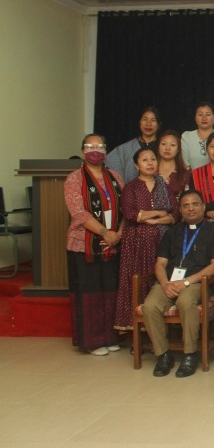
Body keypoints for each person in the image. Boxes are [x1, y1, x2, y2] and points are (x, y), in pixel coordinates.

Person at [143, 190, 214, 378]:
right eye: (186, 205)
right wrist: (165, 283)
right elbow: (160, 264)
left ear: (203, 207)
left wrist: (186, 282)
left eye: (195, 204)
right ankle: (163, 355)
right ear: (180, 209)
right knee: (149, 307)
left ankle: (190, 354)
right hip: (169, 282)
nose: (191, 208)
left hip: (197, 283)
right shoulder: (172, 232)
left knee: (185, 303)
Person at [64, 134, 124, 356]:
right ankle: (92, 341)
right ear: (83, 151)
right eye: (90, 146)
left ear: (106, 151)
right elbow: (78, 213)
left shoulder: (116, 176)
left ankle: (109, 336)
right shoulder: (74, 179)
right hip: (84, 244)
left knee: (109, 290)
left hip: (113, 243)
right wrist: (103, 232)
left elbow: (125, 206)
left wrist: (117, 234)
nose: (95, 150)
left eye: (99, 146)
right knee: (89, 293)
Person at [114, 148, 178, 331]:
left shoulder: (163, 186)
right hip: (136, 245)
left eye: (152, 159)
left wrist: (154, 217)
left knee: (158, 280)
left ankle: (160, 328)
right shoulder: (131, 187)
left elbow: (175, 213)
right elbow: (130, 213)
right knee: (136, 282)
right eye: (145, 160)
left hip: (162, 244)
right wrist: (158, 212)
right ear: (136, 165)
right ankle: (135, 329)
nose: (150, 163)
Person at [106, 106, 160, 183]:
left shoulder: (164, 148)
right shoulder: (124, 149)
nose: (148, 123)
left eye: (153, 120)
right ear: (139, 122)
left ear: (158, 124)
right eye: (145, 119)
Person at [181, 102, 214, 168]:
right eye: (200, 115)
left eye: (208, 115)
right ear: (195, 118)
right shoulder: (187, 136)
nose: (204, 118)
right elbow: (185, 164)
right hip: (193, 176)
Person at [157, 130, 190, 198]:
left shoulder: (186, 171)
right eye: (163, 144)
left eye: (172, 145)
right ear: (158, 146)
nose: (167, 148)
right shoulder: (149, 169)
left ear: (178, 149)